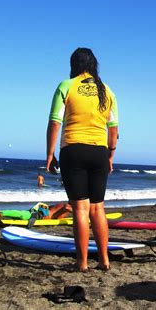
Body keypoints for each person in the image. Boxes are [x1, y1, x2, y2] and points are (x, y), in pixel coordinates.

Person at [46, 47, 118, 272]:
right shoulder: (107, 91)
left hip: (74, 150)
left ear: (74, 65)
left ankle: (83, 262)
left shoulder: (66, 86)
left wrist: (50, 154)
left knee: (80, 209)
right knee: (98, 208)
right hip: (99, 152)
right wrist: (110, 155)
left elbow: (55, 122)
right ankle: (104, 259)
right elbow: (113, 130)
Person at [0, 202, 72, 223]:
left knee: (20, 216)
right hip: (40, 213)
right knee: (22, 215)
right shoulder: (67, 206)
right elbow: (67, 207)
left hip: (42, 211)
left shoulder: (66, 207)